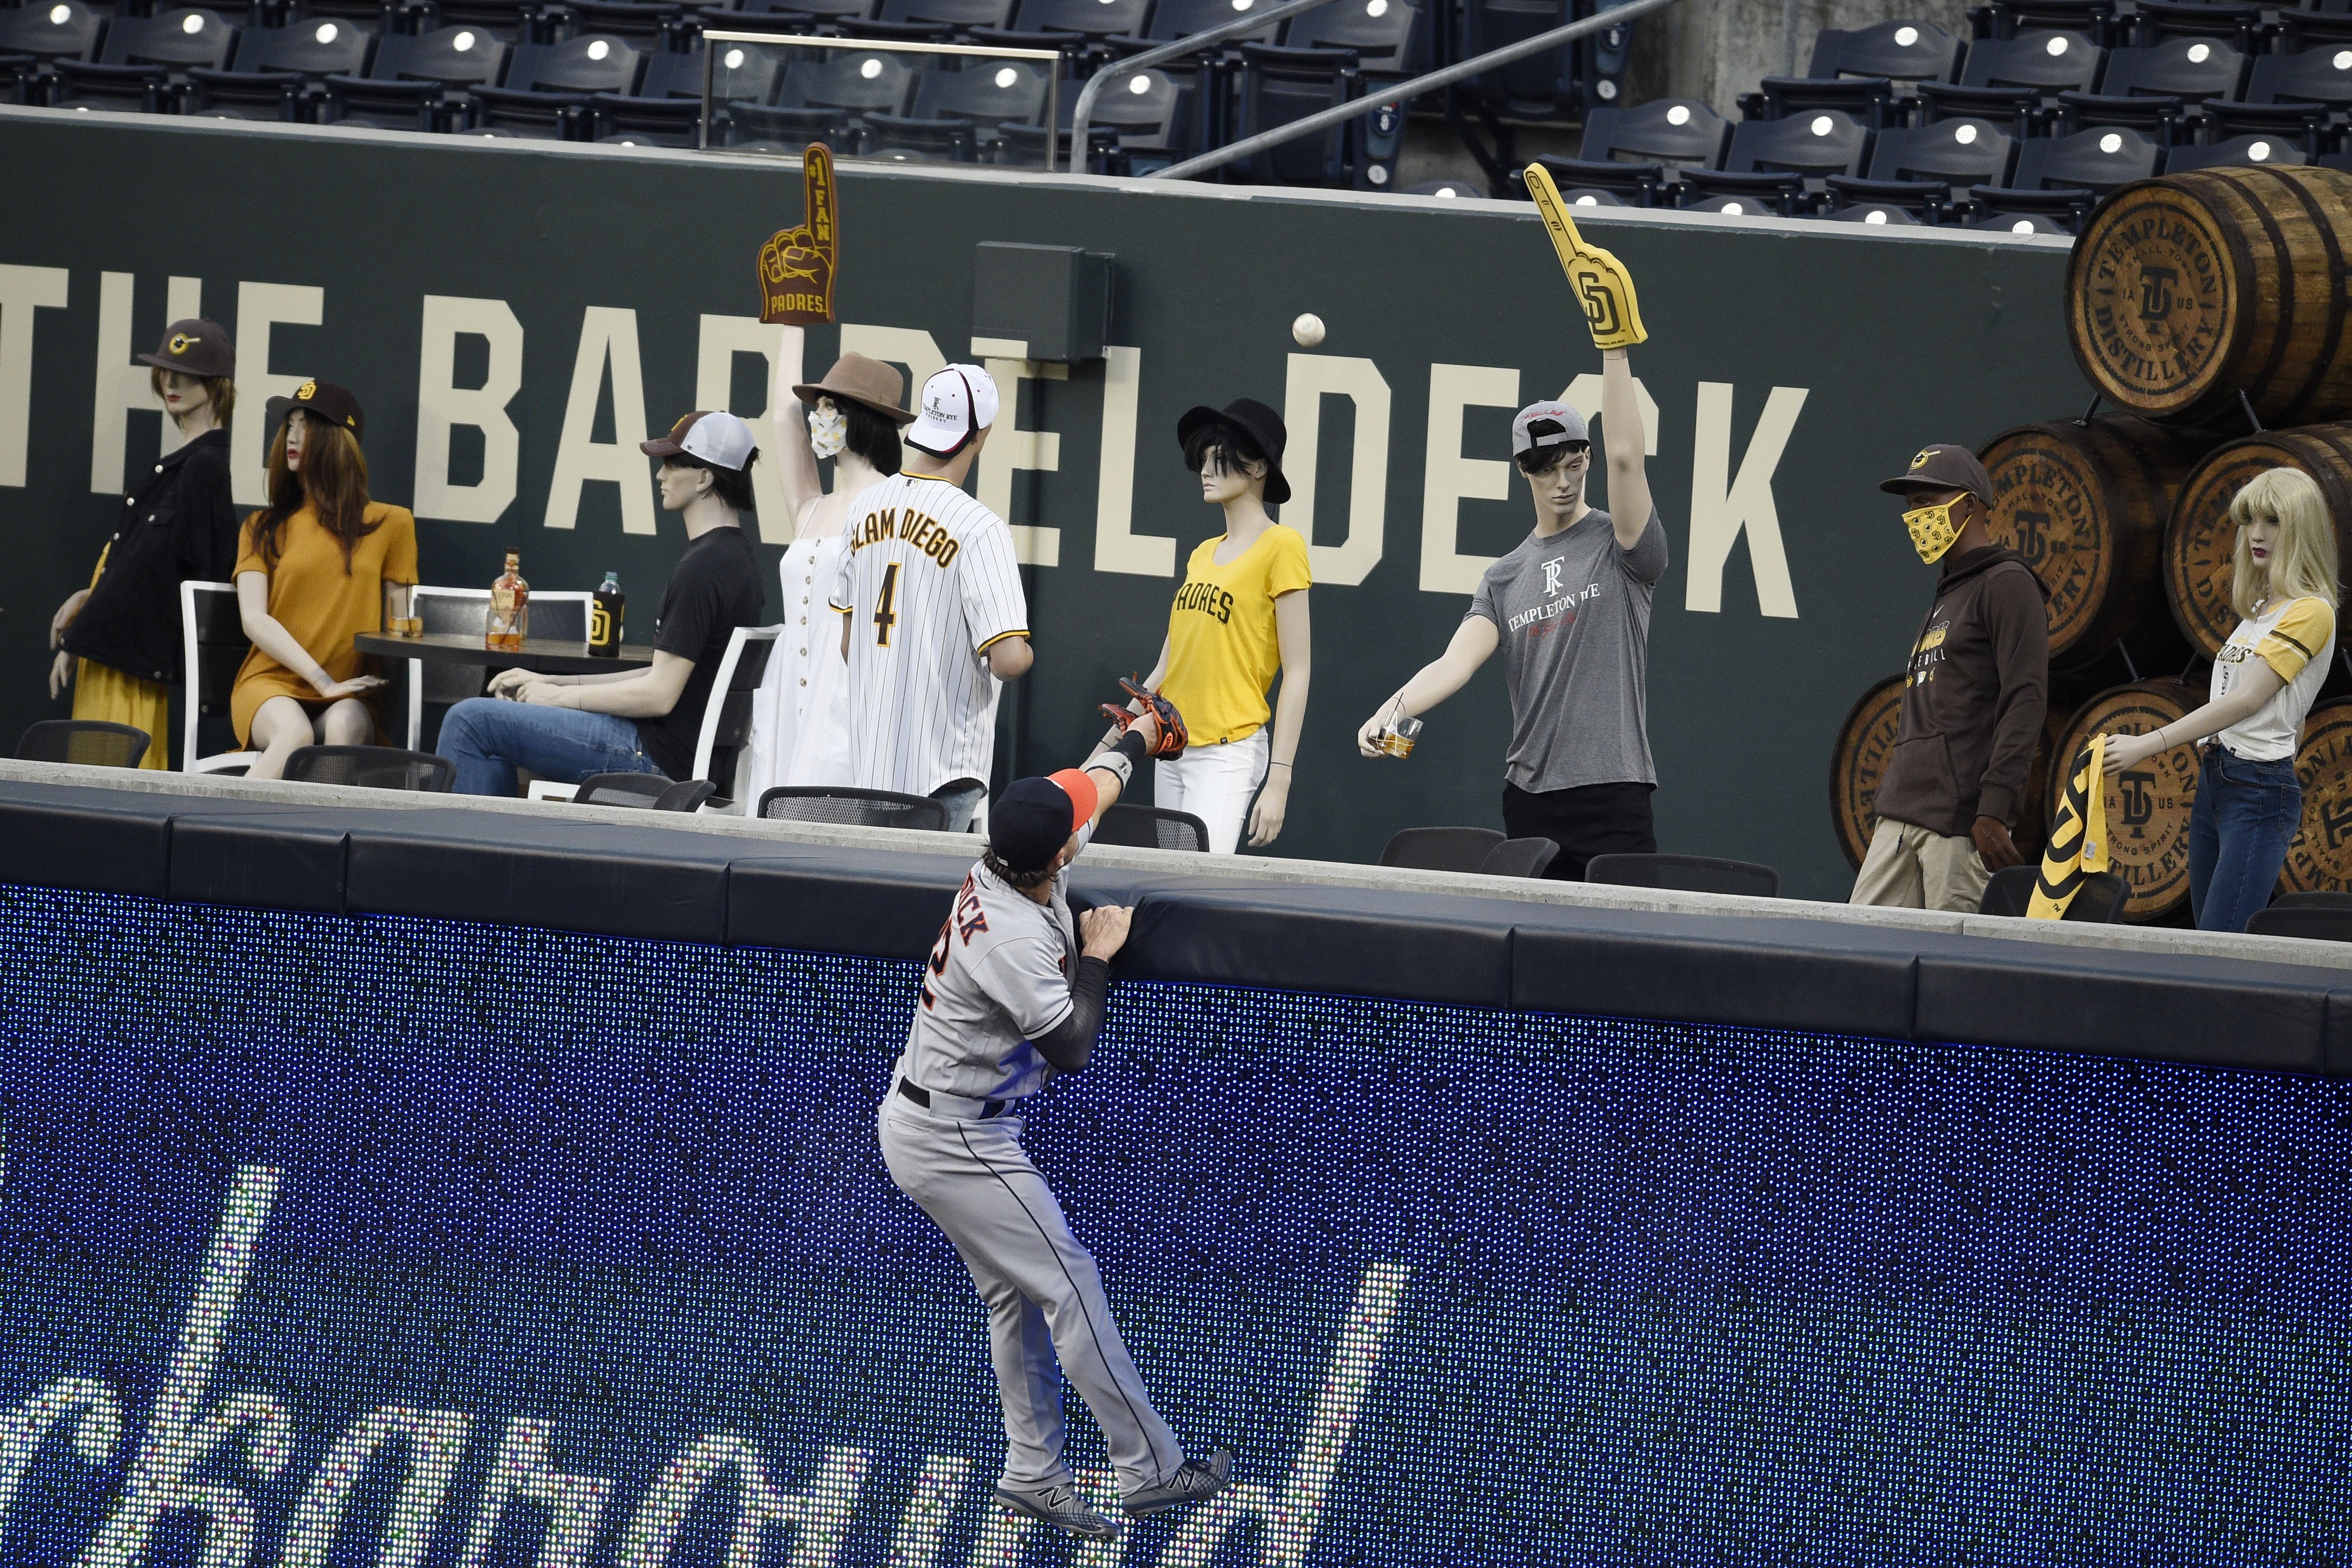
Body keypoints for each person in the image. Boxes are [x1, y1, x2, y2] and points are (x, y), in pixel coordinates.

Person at [877, 704, 1233, 1543]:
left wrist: (1143, 732)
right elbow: (1071, 1045)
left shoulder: (1020, 847)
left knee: (1017, 1298)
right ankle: (1147, 1465)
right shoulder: (1006, 934)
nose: (1081, 822)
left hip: (941, 1118)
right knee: (1068, 1283)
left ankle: (1033, 1473)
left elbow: (1095, 781)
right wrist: (1102, 959)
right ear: (1059, 854)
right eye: (1072, 828)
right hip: (954, 1135)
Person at [1355, 358, 1667, 881]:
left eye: (1572, 464)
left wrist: (1615, 351)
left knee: (1622, 955)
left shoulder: (1623, 547)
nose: (1561, 482)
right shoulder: (1504, 577)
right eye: (1545, 469)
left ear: (1588, 458)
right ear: (1523, 469)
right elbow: (1455, 664)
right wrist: (1392, 709)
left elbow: (1627, 459)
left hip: (1614, 796)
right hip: (1529, 803)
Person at [438, 412, 767, 796]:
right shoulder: (737, 558)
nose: (660, 476)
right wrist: (552, 682)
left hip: (655, 758)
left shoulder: (703, 567)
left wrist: (560, 699)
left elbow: (658, 695)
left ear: (704, 478)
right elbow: (658, 675)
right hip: (680, 754)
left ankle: (468, 856)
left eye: (672, 464)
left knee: (470, 721)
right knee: (489, 725)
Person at [2102, 468, 2339, 933]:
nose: (2256, 534)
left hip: (2257, 789)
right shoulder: (2261, 612)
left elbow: (2247, 700)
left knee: (2219, 944)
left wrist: (2146, 745)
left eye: (2272, 521)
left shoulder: (2311, 610)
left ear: (2301, 527)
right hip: (2220, 779)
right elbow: (2277, 709)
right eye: (2250, 520)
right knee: (2207, 943)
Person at [1103, 399, 1311, 854]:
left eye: (1221, 459)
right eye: (1204, 458)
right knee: (1167, 882)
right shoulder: (1202, 554)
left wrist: (1280, 778)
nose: (1207, 469)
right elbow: (1168, 665)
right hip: (1172, 745)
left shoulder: (1283, 545)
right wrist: (1107, 747)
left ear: (1259, 468)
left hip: (1228, 750)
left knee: (1194, 886)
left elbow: (1298, 671)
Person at [829, 364, 1031, 831]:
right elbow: (1009, 660)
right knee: (928, 903)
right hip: (945, 772)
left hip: (871, 766)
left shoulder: (863, 507)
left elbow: (848, 644)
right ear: (980, 434)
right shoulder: (979, 526)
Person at [1849, 444, 2049, 913]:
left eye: (1928, 502)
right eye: (1911, 506)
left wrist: (1994, 808)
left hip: (1960, 824)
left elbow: (2026, 699)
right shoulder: (1949, 592)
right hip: (1900, 813)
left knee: (1957, 970)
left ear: (1971, 505)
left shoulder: (2007, 583)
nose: (1916, 516)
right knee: (1859, 952)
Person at [50, 319, 240, 767]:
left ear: (215, 385)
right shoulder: (182, 468)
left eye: (187, 372)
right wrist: (89, 599)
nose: (171, 381)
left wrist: (80, 633)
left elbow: (180, 577)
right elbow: (143, 566)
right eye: (166, 371)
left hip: (130, 666)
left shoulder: (202, 467)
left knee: (111, 798)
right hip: (117, 655)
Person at [743, 333, 911, 800]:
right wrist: (795, 322)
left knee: (826, 807)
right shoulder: (811, 506)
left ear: (862, 418)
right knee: (772, 806)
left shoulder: (895, 504)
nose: (818, 418)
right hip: (788, 679)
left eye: (830, 407)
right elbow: (782, 416)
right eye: (817, 408)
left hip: (844, 681)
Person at [230, 382, 417, 780]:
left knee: (345, 724)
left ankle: (316, 836)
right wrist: (321, 679)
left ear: (337, 440)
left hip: (349, 691)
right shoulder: (261, 526)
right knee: (294, 732)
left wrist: (357, 689)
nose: (292, 437)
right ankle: (223, 832)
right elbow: (253, 619)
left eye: (306, 425)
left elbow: (396, 631)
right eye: (289, 426)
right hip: (271, 684)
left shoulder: (392, 524)